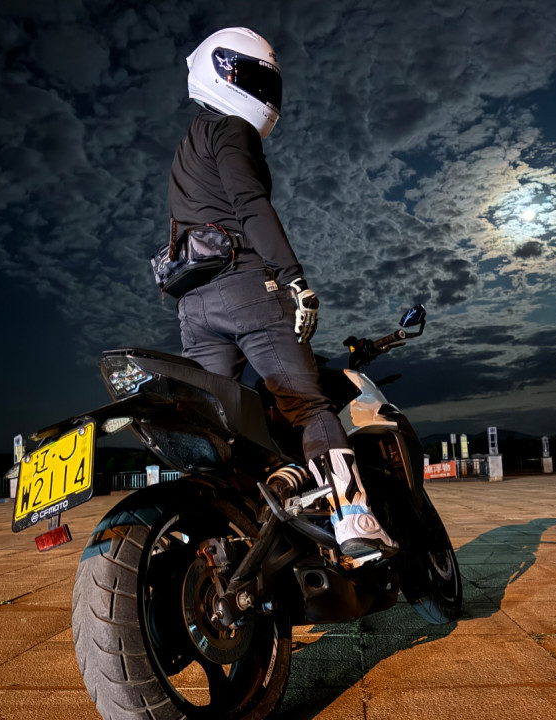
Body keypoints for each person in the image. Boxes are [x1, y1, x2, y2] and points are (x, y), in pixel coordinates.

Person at [168, 27, 394, 560]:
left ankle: (221, 539)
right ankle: (354, 520)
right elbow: (249, 203)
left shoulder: (185, 148)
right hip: (245, 289)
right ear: (216, 71)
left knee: (215, 430)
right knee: (307, 404)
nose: (260, 91)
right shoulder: (231, 128)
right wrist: (293, 278)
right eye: (248, 76)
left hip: (193, 306)